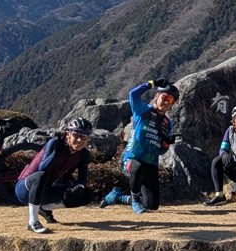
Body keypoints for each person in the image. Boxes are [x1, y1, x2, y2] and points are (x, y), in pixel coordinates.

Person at [100, 78, 177, 214]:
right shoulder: (143, 110)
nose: (165, 102)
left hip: (150, 163)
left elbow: (160, 151)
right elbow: (133, 94)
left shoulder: (167, 123)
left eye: (170, 101)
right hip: (132, 158)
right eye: (164, 97)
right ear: (156, 96)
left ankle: (118, 197)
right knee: (138, 167)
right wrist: (153, 83)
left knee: (151, 205)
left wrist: (166, 143)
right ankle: (135, 199)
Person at [15, 117, 94, 234]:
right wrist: (54, 155)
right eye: (76, 135)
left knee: (86, 194)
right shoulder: (55, 143)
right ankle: (32, 222)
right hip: (25, 188)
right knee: (41, 176)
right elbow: (42, 169)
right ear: (68, 135)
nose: (79, 140)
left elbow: (82, 179)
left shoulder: (84, 154)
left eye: (84, 137)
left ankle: (44, 208)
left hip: (46, 190)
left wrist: (77, 189)